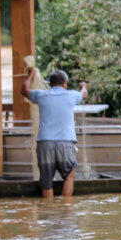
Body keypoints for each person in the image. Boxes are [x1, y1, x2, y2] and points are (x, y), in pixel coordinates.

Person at [20, 69, 88, 198]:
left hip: (45, 143)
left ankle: (49, 211)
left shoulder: (41, 95)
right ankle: (66, 210)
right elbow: (84, 94)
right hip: (65, 142)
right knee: (69, 177)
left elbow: (24, 90)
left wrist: (31, 75)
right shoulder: (72, 95)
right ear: (64, 84)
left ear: (50, 84)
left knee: (47, 182)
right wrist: (83, 86)